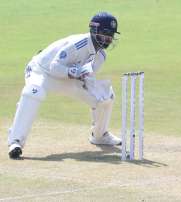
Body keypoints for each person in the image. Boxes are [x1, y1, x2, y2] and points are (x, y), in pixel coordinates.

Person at [8, 12, 122, 159]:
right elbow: (54, 67)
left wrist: (90, 86)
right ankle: (15, 142)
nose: (109, 39)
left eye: (111, 35)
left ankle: (99, 135)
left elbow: (87, 76)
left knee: (105, 96)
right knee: (33, 92)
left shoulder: (101, 56)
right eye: (105, 34)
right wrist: (72, 71)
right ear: (94, 31)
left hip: (66, 78)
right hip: (41, 71)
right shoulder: (79, 44)